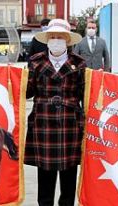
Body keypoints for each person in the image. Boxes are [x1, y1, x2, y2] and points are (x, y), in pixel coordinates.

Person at [24, 19, 86, 206]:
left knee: (68, 178)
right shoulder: (35, 62)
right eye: (52, 37)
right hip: (43, 123)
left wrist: (98, 82)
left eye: (60, 37)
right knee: (45, 177)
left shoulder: (80, 64)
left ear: (67, 40)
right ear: (47, 39)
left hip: (70, 125)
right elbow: (27, 92)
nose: (56, 40)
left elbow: (86, 95)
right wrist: (14, 78)